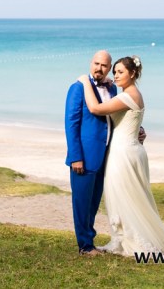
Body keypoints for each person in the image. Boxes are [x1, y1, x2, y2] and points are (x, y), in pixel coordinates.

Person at [77, 55, 164, 256]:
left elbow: (95, 108)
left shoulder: (128, 96)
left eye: (120, 72)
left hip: (123, 154)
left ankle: (133, 241)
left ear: (133, 74)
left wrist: (85, 82)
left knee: (126, 197)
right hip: (131, 149)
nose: (116, 76)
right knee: (128, 197)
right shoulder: (131, 94)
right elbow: (127, 120)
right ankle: (122, 239)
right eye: (115, 72)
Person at [65, 50, 115, 257]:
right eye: (96, 63)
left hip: (104, 155)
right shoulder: (77, 88)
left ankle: (90, 240)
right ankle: (84, 246)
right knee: (82, 202)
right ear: (90, 63)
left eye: (104, 65)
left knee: (94, 202)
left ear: (109, 68)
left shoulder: (112, 90)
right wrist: (75, 156)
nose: (99, 68)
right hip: (83, 157)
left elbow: (113, 119)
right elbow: (71, 124)